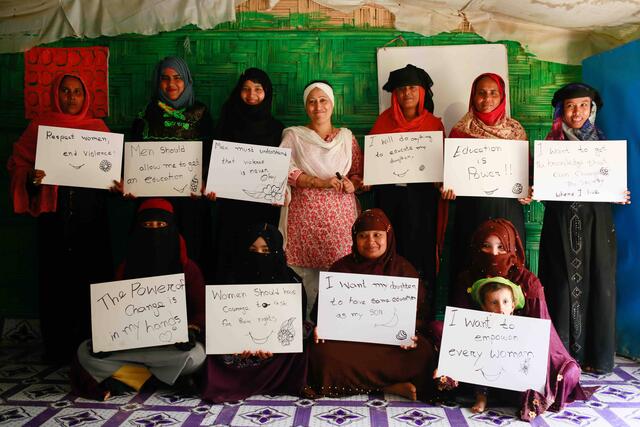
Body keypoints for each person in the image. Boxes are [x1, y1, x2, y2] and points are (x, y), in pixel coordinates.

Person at [7, 73, 114, 363]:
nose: (71, 97)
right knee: (56, 281)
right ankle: (58, 348)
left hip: (90, 220)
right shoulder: (39, 128)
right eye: (65, 91)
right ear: (56, 94)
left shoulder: (98, 130)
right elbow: (18, 164)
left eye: (77, 91)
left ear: (86, 96)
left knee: (91, 277)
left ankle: (92, 346)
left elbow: (111, 174)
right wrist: (31, 177)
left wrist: (116, 184)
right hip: (53, 219)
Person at [71, 198, 206, 401]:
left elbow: (202, 310)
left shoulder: (188, 268)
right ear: (138, 229)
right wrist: (106, 338)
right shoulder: (126, 267)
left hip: (172, 349)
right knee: (85, 352)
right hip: (132, 347)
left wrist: (191, 330)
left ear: (172, 228)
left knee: (196, 357)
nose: (154, 231)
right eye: (147, 226)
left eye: (161, 225)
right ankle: (164, 379)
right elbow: (114, 311)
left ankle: (134, 378)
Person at [538, 83, 631, 374]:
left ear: (591, 109)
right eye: (570, 106)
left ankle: (596, 356)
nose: (576, 111)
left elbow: (611, 184)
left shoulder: (603, 146)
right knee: (561, 285)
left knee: (598, 281)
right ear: (561, 110)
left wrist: (618, 193)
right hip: (559, 223)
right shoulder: (550, 146)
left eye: (582, 105)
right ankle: (562, 356)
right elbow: (540, 189)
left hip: (596, 224)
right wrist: (534, 187)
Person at [308, 208, 437, 401]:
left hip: (391, 344)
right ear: (354, 239)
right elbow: (321, 313)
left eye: (377, 235)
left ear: (388, 236)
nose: (370, 242)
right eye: (363, 236)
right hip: (350, 342)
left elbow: (419, 316)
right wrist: (322, 328)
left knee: (422, 352)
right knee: (319, 352)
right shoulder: (341, 268)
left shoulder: (403, 269)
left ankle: (368, 385)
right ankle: (388, 386)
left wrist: (411, 335)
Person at [279, 80, 364, 317]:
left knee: (338, 273)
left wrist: (351, 184)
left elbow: (359, 174)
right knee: (304, 277)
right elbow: (284, 169)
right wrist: (320, 183)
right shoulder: (294, 136)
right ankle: (304, 329)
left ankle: (334, 327)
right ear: (306, 107)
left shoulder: (347, 138)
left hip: (340, 222)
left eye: (323, 100)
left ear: (332, 104)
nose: (318, 106)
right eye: (312, 101)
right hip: (304, 219)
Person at [202, 223, 310, 402]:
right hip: (237, 352)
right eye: (252, 249)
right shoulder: (231, 278)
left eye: (265, 250)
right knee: (212, 340)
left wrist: (274, 345)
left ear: (276, 252)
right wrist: (235, 344)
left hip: (277, 355)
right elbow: (223, 321)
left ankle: (269, 380)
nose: (258, 256)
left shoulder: (291, 281)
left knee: (303, 338)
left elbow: (295, 322)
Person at [459, 276, 589, 421]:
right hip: (495, 379)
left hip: (517, 378)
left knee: (556, 376)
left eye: (505, 302)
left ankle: (535, 399)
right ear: (484, 306)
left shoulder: (522, 326)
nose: (501, 308)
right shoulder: (481, 328)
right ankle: (481, 398)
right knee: (482, 359)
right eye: (494, 303)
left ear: (513, 305)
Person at [131, 56, 214, 279]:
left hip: (191, 202)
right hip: (154, 201)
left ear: (187, 80)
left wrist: (207, 180)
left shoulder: (201, 114)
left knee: (190, 257)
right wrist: (129, 181)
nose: (171, 84)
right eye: (165, 78)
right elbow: (133, 156)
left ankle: (190, 309)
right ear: (157, 82)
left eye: (177, 78)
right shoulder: (146, 113)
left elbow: (210, 154)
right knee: (153, 256)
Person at [445, 73, 531, 282]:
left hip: (507, 208)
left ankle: (509, 312)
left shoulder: (515, 130)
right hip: (471, 209)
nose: (487, 98)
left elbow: (527, 172)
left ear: (502, 97)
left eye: (493, 93)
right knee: (470, 264)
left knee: (508, 263)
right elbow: (450, 174)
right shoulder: (459, 131)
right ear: (473, 96)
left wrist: (529, 189)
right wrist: (447, 188)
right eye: (481, 93)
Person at [369, 64, 445, 297]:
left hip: (421, 200)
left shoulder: (434, 124)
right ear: (394, 95)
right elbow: (374, 164)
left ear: (422, 92)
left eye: (412, 87)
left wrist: (440, 180)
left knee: (419, 248)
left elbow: (441, 166)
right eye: (401, 89)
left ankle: (420, 305)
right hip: (389, 197)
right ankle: (385, 297)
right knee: (390, 246)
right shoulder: (383, 122)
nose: (407, 93)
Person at [211, 68, 285, 281]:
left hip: (264, 210)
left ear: (267, 92)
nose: (251, 95)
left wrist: (278, 192)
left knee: (262, 257)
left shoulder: (277, 129)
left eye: (258, 89)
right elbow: (214, 163)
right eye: (246, 89)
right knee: (231, 256)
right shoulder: (226, 124)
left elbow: (282, 169)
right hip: (231, 209)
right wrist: (212, 186)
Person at [449, 218, 548, 320]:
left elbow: (540, 328)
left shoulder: (528, 281)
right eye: (486, 246)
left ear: (512, 248)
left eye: (501, 247)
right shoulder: (466, 278)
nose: (494, 253)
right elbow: (458, 322)